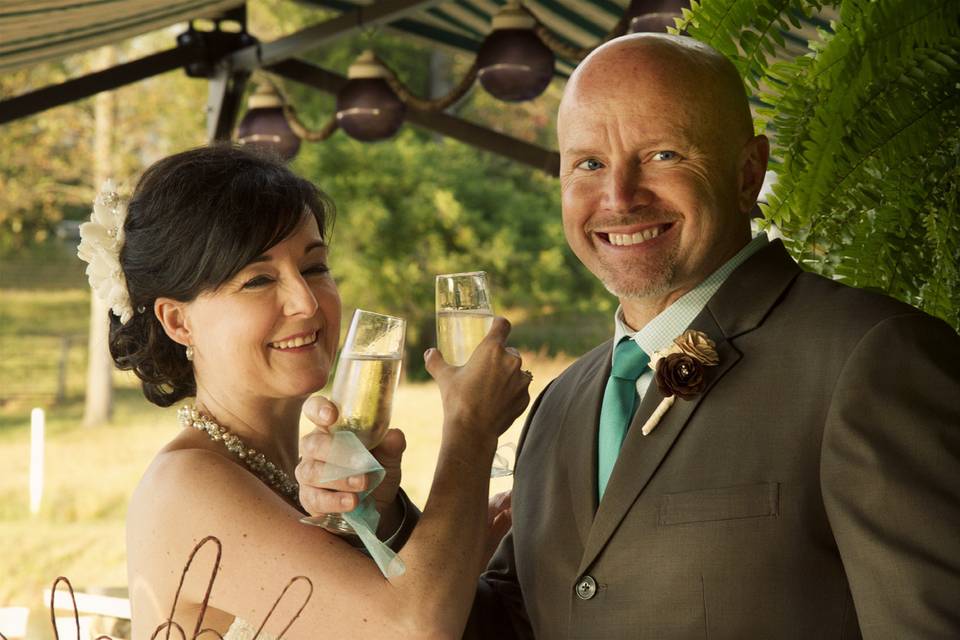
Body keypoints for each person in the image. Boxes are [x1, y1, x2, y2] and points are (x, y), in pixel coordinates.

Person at [299, 33, 960, 638]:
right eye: (587, 163)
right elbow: (511, 622)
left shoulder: (871, 358)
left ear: (748, 172)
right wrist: (382, 513)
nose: (619, 195)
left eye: (662, 154)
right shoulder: (559, 406)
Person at [78, 145, 531, 640]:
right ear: (178, 320)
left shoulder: (291, 476)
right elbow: (412, 629)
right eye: (258, 280)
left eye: (314, 268)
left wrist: (402, 525)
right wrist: (471, 429)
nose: (306, 301)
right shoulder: (185, 485)